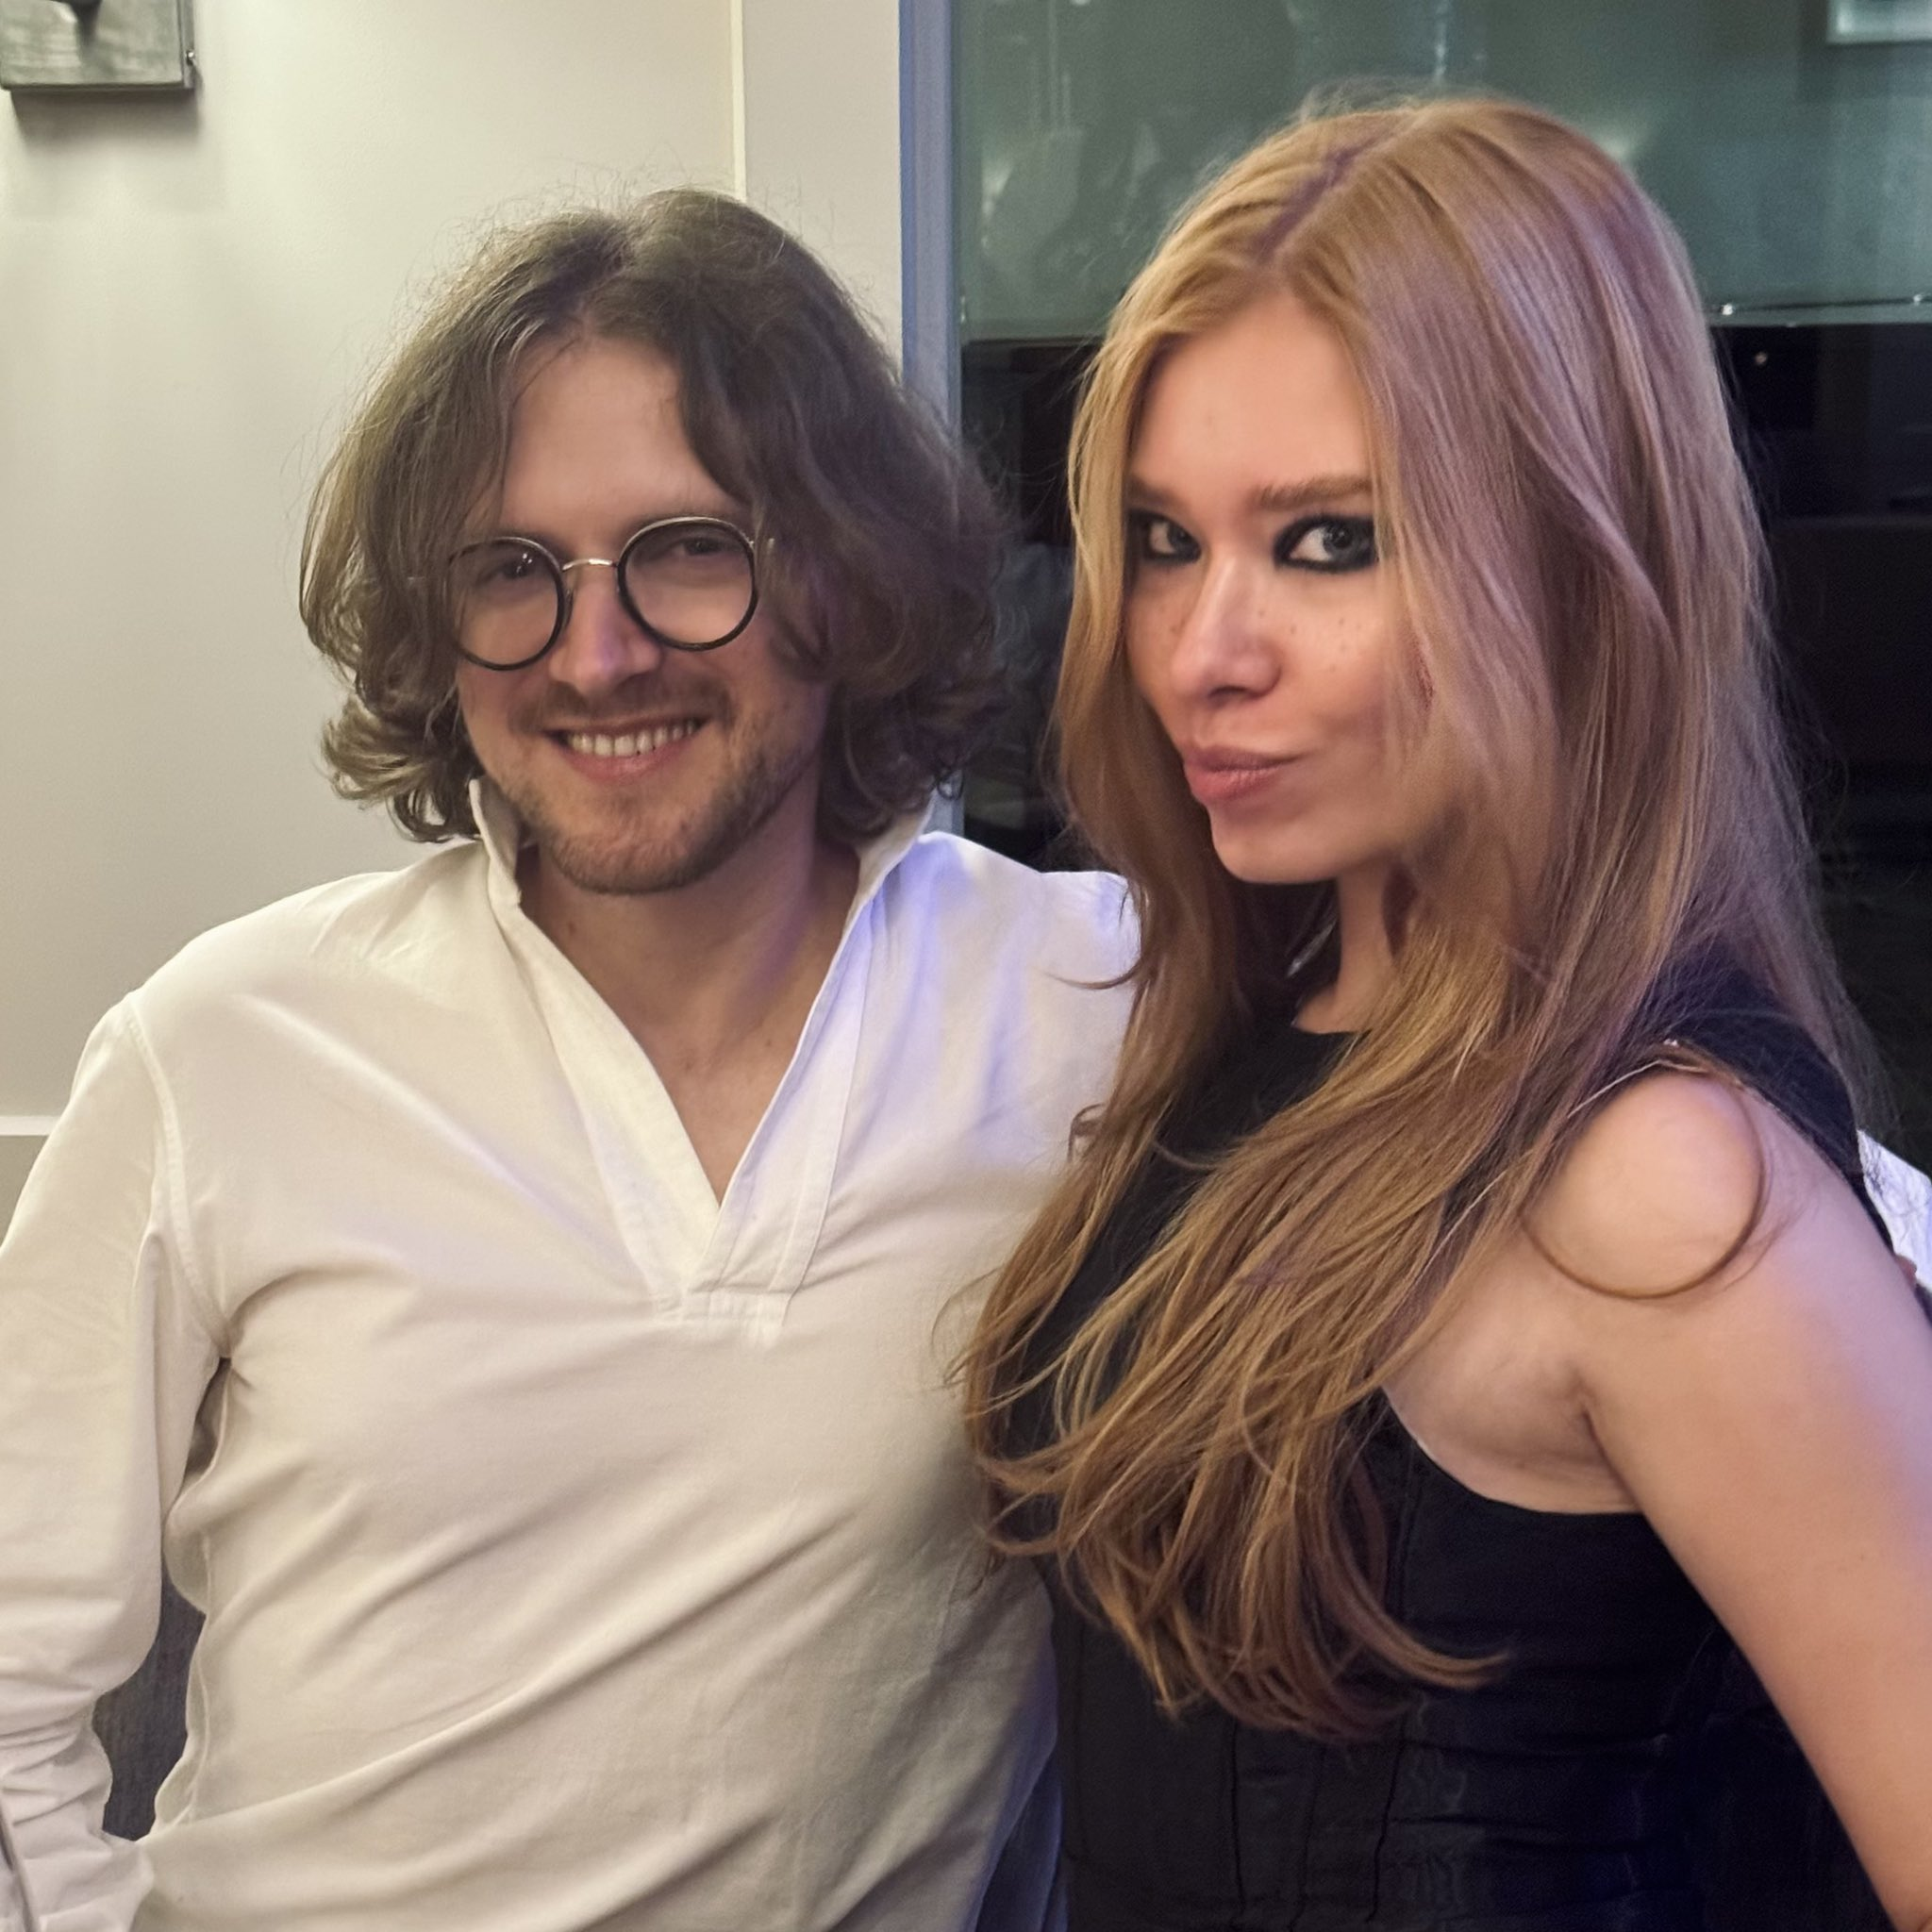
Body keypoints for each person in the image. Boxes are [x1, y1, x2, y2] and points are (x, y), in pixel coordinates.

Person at [0, 191, 1135, 1931]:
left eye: (689, 549)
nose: (597, 655)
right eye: (509, 572)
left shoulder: (1093, 1009)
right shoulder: (221, 1049)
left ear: (845, 575)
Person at [964, 98, 1932, 1932]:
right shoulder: (1258, 1023)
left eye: (1327, 542)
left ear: (1575, 563)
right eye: (1163, 540)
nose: (1201, 650)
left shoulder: (1656, 1183)